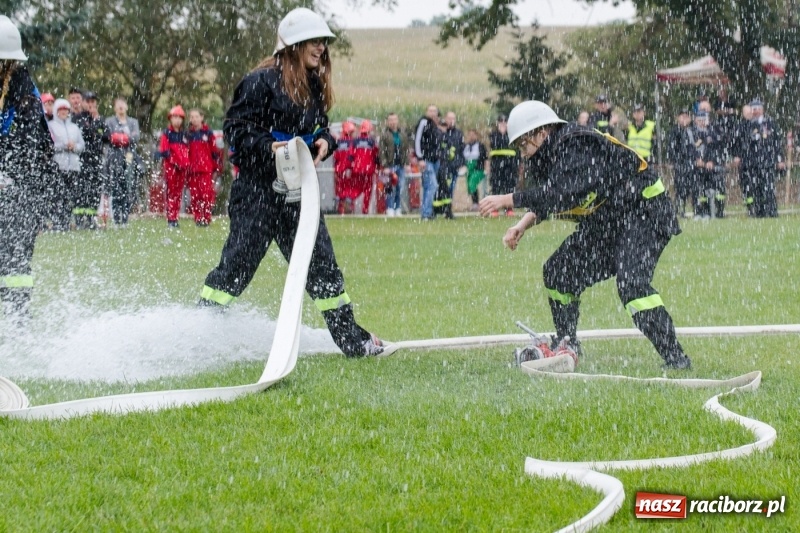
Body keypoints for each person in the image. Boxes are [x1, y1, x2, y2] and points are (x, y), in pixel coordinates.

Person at [198, 7, 383, 357]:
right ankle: (200, 333)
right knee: (236, 267)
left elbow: (318, 129)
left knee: (323, 268)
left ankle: (353, 342)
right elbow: (236, 134)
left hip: (298, 195)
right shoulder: (259, 82)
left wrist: (326, 142)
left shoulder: (311, 85)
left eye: (323, 43)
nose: (320, 49)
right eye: (314, 42)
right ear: (294, 44)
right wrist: (274, 149)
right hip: (258, 194)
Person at [478, 100, 691, 370]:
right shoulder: (550, 154)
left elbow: (565, 192)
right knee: (559, 271)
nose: (523, 154)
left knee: (632, 285)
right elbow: (554, 196)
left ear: (542, 132)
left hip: (645, 210)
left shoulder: (574, 143)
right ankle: (567, 343)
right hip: (610, 218)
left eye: (524, 145)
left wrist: (508, 199)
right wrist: (522, 225)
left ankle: (676, 359)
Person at [0, 16, 58, 327]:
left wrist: (9, 176)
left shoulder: (24, 95)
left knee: (15, 255)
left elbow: (31, 147)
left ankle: (18, 319)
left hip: (23, 186)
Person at [733, 99, 785, 218]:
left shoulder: (770, 123)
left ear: (763, 109)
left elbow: (776, 143)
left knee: (768, 187)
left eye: (758, 108)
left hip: (767, 161)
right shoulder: (746, 125)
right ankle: (757, 211)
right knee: (753, 188)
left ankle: (771, 211)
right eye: (754, 108)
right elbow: (738, 142)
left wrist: (780, 159)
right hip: (750, 162)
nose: (756, 111)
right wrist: (737, 155)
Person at [47, 98, 85, 231]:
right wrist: (63, 146)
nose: (63, 112)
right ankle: (58, 223)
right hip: (59, 166)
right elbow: (49, 145)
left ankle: (68, 222)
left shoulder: (74, 127)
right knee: (58, 196)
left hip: (73, 166)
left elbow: (82, 146)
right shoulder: (51, 126)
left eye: (66, 110)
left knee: (71, 197)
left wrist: (74, 146)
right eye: (61, 110)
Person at [104, 97, 142, 226]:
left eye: (123, 104)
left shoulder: (133, 122)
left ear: (126, 106)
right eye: (118, 104)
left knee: (127, 185)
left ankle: (125, 217)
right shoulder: (109, 121)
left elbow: (135, 137)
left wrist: (121, 138)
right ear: (114, 107)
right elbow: (108, 136)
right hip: (114, 157)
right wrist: (122, 138)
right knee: (115, 187)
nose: (121, 107)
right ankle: (116, 218)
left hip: (129, 156)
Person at [73, 90, 106, 229]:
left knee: (94, 191)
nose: (91, 104)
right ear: (84, 103)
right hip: (81, 160)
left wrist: (97, 121)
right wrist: (94, 128)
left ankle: (91, 219)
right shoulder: (77, 119)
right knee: (81, 190)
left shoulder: (100, 119)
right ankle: (80, 220)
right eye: (88, 101)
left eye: (93, 101)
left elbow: (107, 136)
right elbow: (84, 133)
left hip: (96, 160)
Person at [186, 108, 222, 227]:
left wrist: (217, 168)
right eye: (192, 117)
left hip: (206, 169)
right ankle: (198, 218)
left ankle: (206, 218)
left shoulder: (208, 133)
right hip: (192, 170)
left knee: (206, 195)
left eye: (196, 116)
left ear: (201, 118)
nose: (194, 119)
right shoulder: (188, 134)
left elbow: (215, 152)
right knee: (195, 196)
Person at [157, 105, 190, 228]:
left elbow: (187, 151)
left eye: (179, 117)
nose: (177, 120)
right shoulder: (167, 133)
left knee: (178, 193)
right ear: (170, 119)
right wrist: (175, 162)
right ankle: (171, 218)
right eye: (174, 117)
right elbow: (165, 151)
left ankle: (175, 217)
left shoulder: (184, 135)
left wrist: (184, 163)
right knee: (171, 193)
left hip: (182, 168)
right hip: (172, 168)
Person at [689, 111, 726, 219]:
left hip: (711, 167)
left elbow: (717, 149)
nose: (701, 122)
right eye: (699, 120)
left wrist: (711, 161)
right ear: (695, 120)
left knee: (716, 189)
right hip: (697, 167)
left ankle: (717, 212)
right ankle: (700, 212)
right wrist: (696, 159)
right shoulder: (692, 132)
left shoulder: (713, 132)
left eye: (703, 120)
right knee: (699, 191)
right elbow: (689, 148)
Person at [488, 113, 520, 217]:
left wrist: (518, 164)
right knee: (496, 187)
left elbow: (516, 149)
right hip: (497, 164)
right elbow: (495, 144)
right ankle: (494, 209)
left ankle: (509, 209)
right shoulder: (493, 135)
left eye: (505, 122)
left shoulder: (512, 134)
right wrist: (501, 134)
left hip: (510, 165)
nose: (503, 124)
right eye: (501, 122)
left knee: (509, 187)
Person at [379, 112, 410, 216]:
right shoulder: (385, 135)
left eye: (394, 120)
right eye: (390, 120)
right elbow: (382, 151)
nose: (393, 122)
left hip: (400, 165)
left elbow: (406, 150)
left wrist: (406, 163)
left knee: (400, 187)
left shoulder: (403, 134)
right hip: (390, 165)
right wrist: (385, 165)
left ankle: (398, 208)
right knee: (390, 188)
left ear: (397, 121)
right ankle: (390, 208)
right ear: (388, 122)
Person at [414, 104, 442, 220]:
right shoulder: (423, 122)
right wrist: (420, 158)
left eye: (434, 111)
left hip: (434, 160)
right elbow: (417, 140)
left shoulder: (434, 125)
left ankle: (427, 212)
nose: (432, 113)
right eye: (430, 110)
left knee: (428, 186)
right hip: (426, 160)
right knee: (432, 185)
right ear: (427, 111)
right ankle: (426, 212)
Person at [665, 108, 694, 217]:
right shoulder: (675, 131)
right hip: (681, 163)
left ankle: (686, 207)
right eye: (682, 116)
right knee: (681, 186)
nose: (684, 118)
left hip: (691, 162)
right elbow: (671, 147)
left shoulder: (692, 130)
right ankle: (678, 208)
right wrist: (673, 161)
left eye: (686, 116)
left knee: (689, 186)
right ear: (678, 118)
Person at [351, 119, 379, 215]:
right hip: (368, 170)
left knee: (356, 189)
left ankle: (351, 208)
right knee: (367, 190)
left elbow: (351, 155)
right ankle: (365, 210)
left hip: (357, 170)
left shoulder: (355, 141)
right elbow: (376, 155)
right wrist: (377, 166)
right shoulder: (372, 141)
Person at [441, 111, 464, 217]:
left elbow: (461, 149)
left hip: (455, 165)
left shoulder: (458, 133)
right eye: (449, 118)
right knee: (444, 188)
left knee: (451, 188)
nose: (451, 121)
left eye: (453, 118)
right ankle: (444, 209)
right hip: (444, 165)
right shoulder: (442, 132)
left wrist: (461, 163)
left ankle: (448, 210)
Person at [333, 120, 356, 214]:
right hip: (348, 170)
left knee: (339, 190)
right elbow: (352, 156)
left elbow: (336, 157)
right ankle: (348, 209)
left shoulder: (339, 141)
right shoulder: (351, 142)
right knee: (348, 190)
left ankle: (341, 209)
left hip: (339, 169)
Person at [462, 128, 488, 208]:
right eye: (470, 135)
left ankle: (477, 203)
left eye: (473, 134)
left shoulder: (480, 145)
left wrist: (486, 168)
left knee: (472, 183)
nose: (471, 136)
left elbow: (485, 158)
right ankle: (474, 202)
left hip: (477, 168)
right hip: (469, 168)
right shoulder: (466, 146)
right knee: (469, 186)